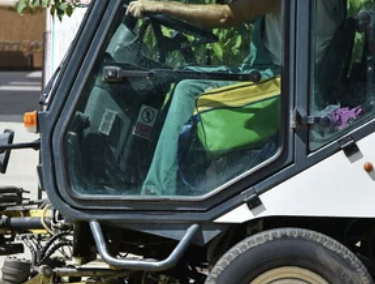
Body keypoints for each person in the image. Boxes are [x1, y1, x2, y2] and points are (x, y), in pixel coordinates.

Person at [126, 0, 345, 196]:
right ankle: (185, 180)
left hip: (280, 87)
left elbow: (226, 16)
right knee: (188, 73)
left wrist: (160, 5)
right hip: (293, 80)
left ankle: (157, 192)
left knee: (188, 89)